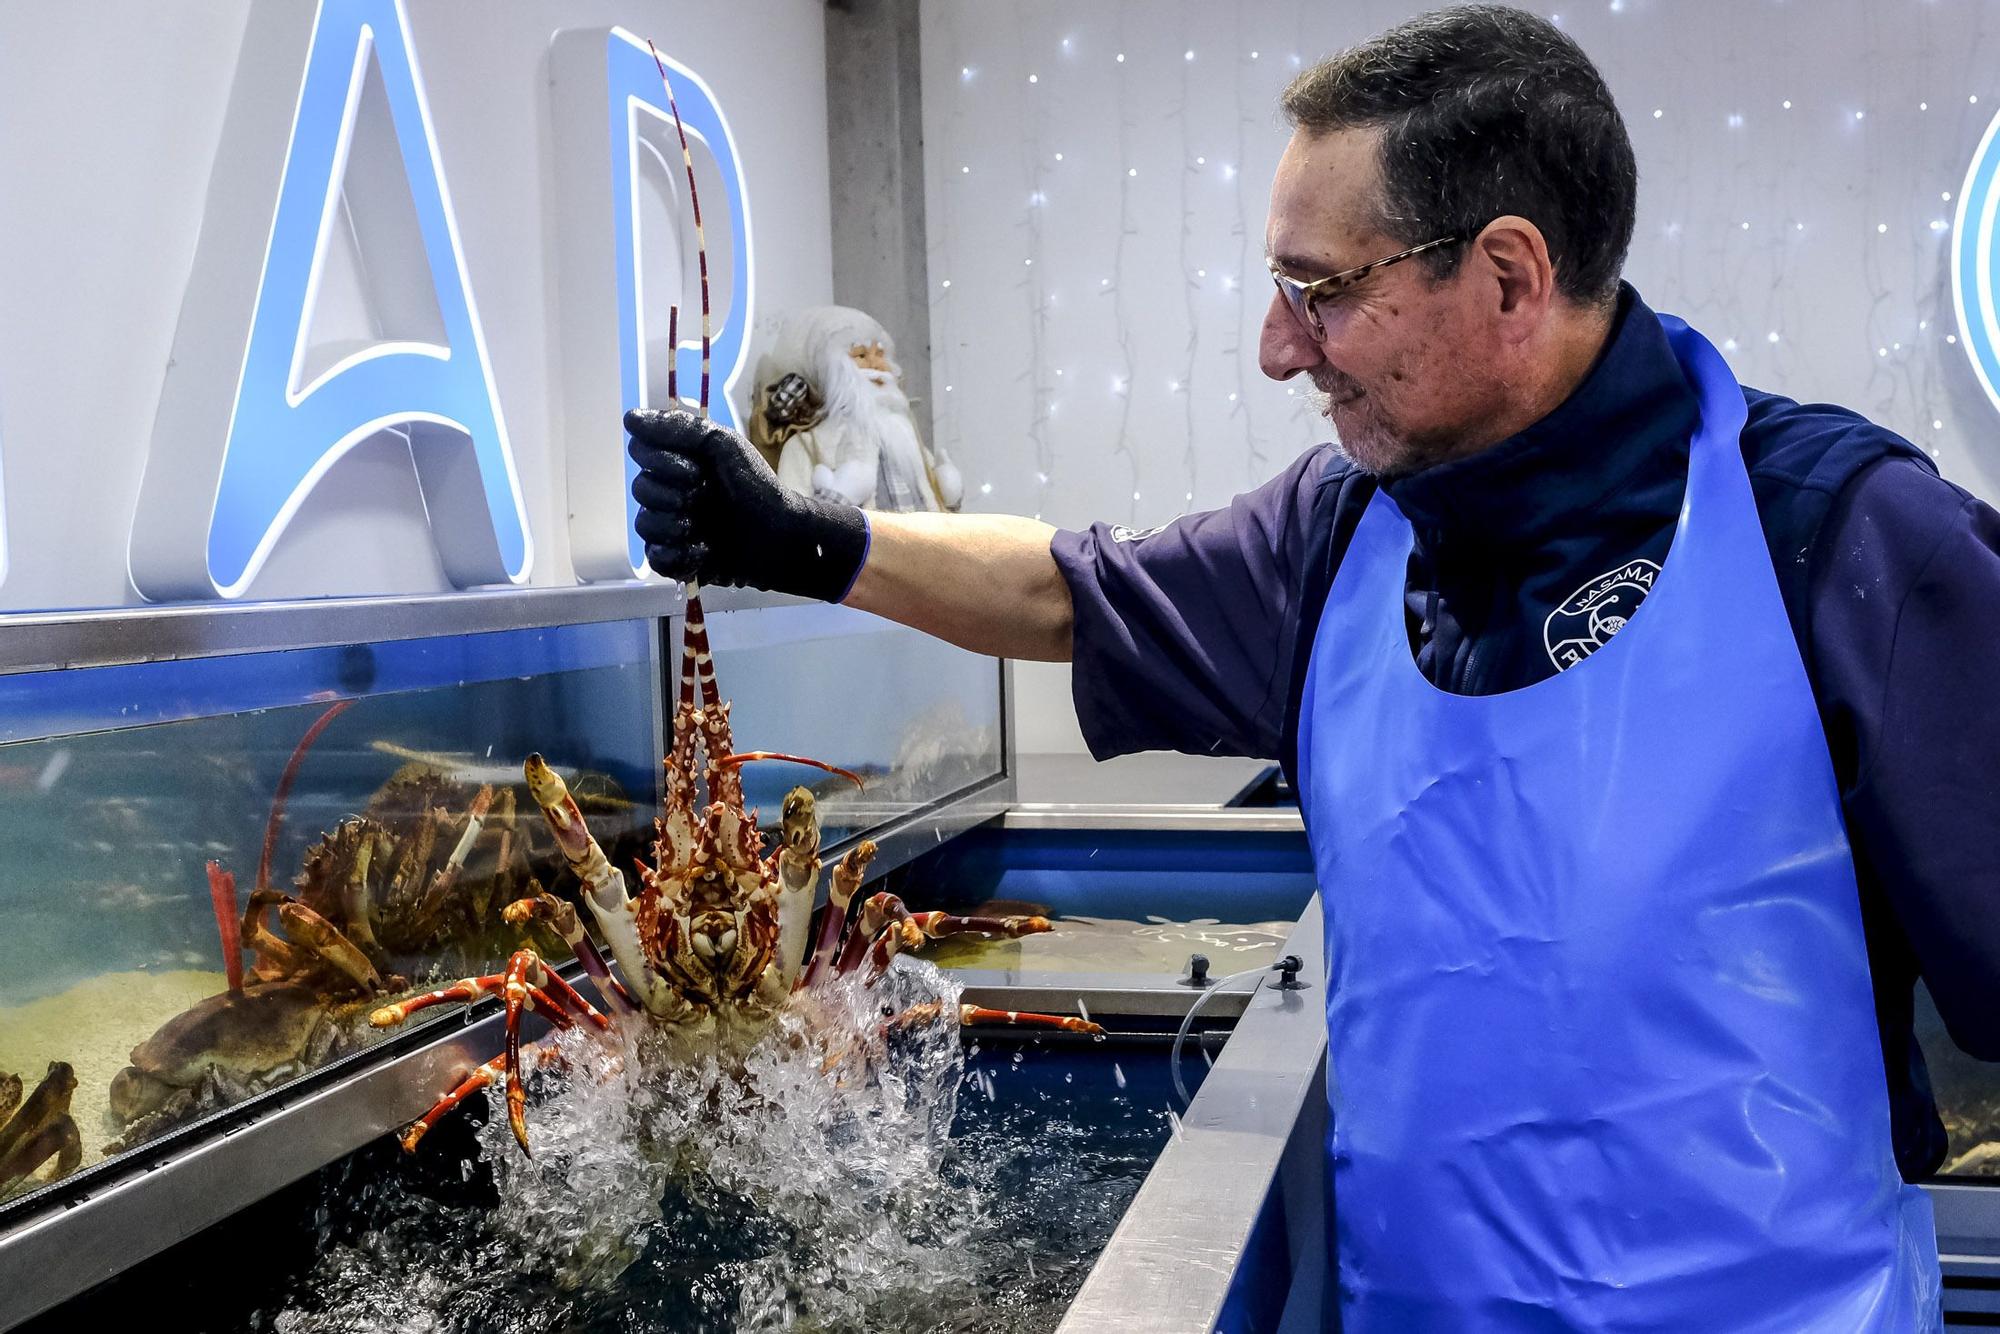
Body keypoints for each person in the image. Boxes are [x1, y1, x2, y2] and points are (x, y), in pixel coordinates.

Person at [625, 6, 1996, 1327]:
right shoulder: (1330, 543)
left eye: (1319, 292)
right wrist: (804, 542)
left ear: (1509, 276)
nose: (1281, 348)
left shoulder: (1840, 537)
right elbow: (1067, 590)